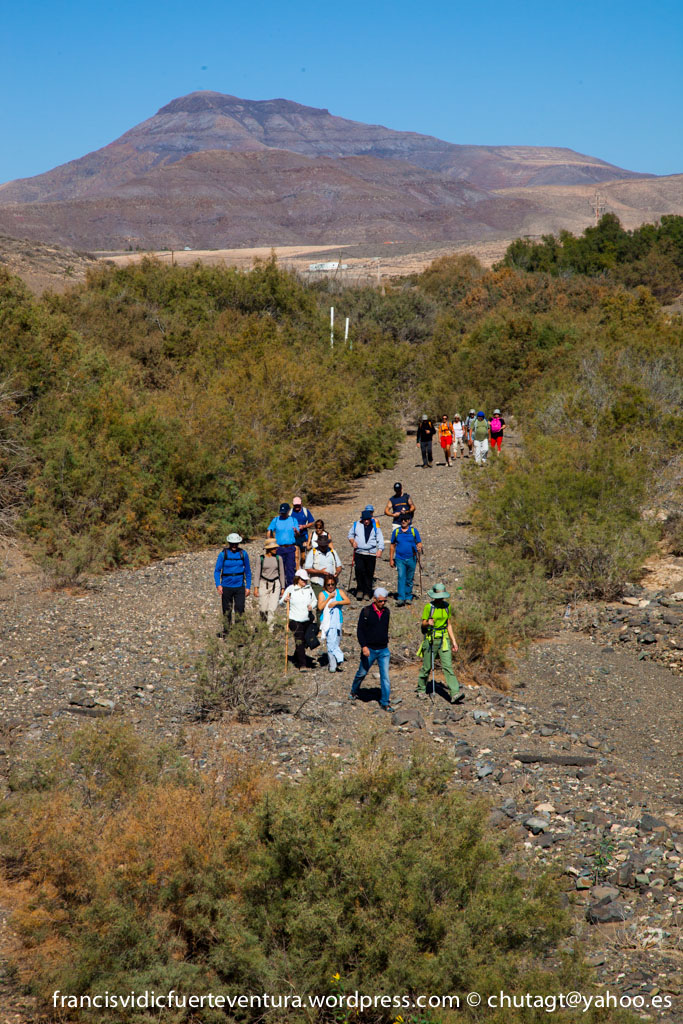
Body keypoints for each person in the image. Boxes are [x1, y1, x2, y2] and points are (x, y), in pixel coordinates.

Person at [349, 587, 396, 711]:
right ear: (374, 599)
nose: (383, 603)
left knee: (385, 677)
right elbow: (360, 630)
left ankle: (385, 702)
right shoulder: (366, 611)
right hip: (369, 649)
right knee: (362, 673)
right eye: (380, 601)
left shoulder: (386, 612)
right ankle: (354, 690)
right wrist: (364, 646)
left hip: (383, 650)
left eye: (384, 601)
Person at [416, 583, 463, 704]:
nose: (440, 599)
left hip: (444, 639)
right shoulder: (429, 607)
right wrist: (428, 623)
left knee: (448, 666)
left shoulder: (447, 606)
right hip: (431, 639)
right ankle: (421, 689)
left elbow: (448, 624)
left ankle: (455, 693)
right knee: (427, 667)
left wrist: (454, 641)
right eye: (438, 596)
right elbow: (423, 624)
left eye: (442, 596)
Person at [213, 532, 251, 633]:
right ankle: (227, 632)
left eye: (236, 544)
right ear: (229, 543)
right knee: (227, 610)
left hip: (240, 587)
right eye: (232, 543)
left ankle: (239, 632)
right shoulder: (223, 554)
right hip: (226, 586)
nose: (234, 546)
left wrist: (248, 586)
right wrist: (218, 585)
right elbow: (217, 571)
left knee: (240, 609)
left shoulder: (243, 554)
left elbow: (248, 571)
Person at [279, 568, 316, 671]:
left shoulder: (309, 589)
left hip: (306, 619)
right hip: (294, 619)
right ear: (297, 579)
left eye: (305, 579)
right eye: (303, 579)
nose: (305, 581)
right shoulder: (291, 589)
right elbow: (281, 603)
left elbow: (315, 601)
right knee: (299, 640)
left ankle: (296, 656)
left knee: (305, 640)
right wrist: (285, 600)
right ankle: (302, 664)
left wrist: (312, 606)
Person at [348, 507, 384, 601]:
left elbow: (380, 538)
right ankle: (360, 589)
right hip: (359, 552)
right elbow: (350, 535)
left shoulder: (375, 526)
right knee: (359, 570)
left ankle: (367, 592)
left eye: (368, 519)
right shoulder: (356, 525)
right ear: (362, 519)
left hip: (371, 553)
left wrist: (380, 549)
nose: (366, 521)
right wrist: (352, 542)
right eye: (365, 520)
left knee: (369, 573)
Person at [318, 572, 350, 673]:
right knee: (330, 642)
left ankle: (335, 659)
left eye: (333, 584)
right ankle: (333, 664)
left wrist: (337, 602)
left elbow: (348, 601)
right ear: (325, 585)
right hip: (327, 621)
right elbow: (320, 607)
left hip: (338, 620)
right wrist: (329, 598)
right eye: (328, 585)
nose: (331, 586)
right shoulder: (322, 594)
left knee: (336, 641)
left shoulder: (339, 592)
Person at [389, 515, 423, 606]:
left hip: (412, 558)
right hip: (399, 558)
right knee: (401, 577)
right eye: (402, 520)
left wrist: (419, 547)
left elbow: (419, 542)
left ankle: (408, 596)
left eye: (405, 520)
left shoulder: (414, 531)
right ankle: (401, 598)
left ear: (409, 521)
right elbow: (392, 545)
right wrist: (391, 559)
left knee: (409, 578)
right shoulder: (396, 532)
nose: (403, 521)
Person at [253, 538, 285, 630]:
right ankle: (263, 626)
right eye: (274, 548)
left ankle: (270, 630)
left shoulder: (279, 558)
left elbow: (281, 573)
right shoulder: (261, 558)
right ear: (268, 549)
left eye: (276, 547)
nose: (276, 549)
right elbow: (257, 573)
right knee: (263, 608)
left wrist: (283, 587)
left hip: (275, 584)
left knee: (272, 608)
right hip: (263, 583)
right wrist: (256, 587)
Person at [304, 531, 342, 602]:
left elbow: (339, 566)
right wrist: (320, 572)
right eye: (322, 545)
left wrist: (337, 572)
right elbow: (307, 569)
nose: (323, 547)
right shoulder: (313, 552)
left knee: (332, 602)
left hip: (331, 583)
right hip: (318, 583)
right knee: (320, 602)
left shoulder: (332, 552)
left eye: (325, 545)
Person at [267, 502, 298, 586]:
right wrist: (270, 543)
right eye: (281, 513)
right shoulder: (276, 520)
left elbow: (297, 533)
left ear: (288, 511)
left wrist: (296, 531)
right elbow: (269, 531)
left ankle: (290, 587)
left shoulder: (293, 520)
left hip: (290, 548)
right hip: (279, 548)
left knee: (290, 568)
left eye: (284, 513)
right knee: (280, 568)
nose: (283, 514)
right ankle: (280, 587)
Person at [291, 496, 315, 567]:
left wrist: (304, 526)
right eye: (295, 505)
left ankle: (301, 566)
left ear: (301, 504)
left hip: (304, 536)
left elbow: (311, 522)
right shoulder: (290, 512)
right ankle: (297, 570)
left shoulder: (305, 511)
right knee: (296, 556)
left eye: (298, 505)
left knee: (303, 556)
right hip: (294, 537)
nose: (297, 507)